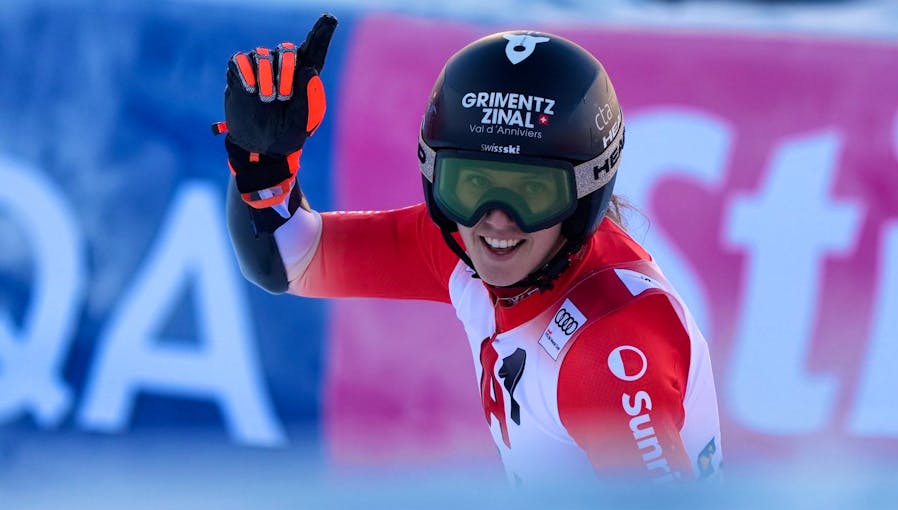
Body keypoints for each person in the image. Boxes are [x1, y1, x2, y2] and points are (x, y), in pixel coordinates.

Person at [219, 14, 722, 484]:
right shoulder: (459, 246)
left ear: (585, 196)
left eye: (532, 191)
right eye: (473, 182)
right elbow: (290, 260)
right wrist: (261, 165)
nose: (496, 221)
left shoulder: (603, 355)